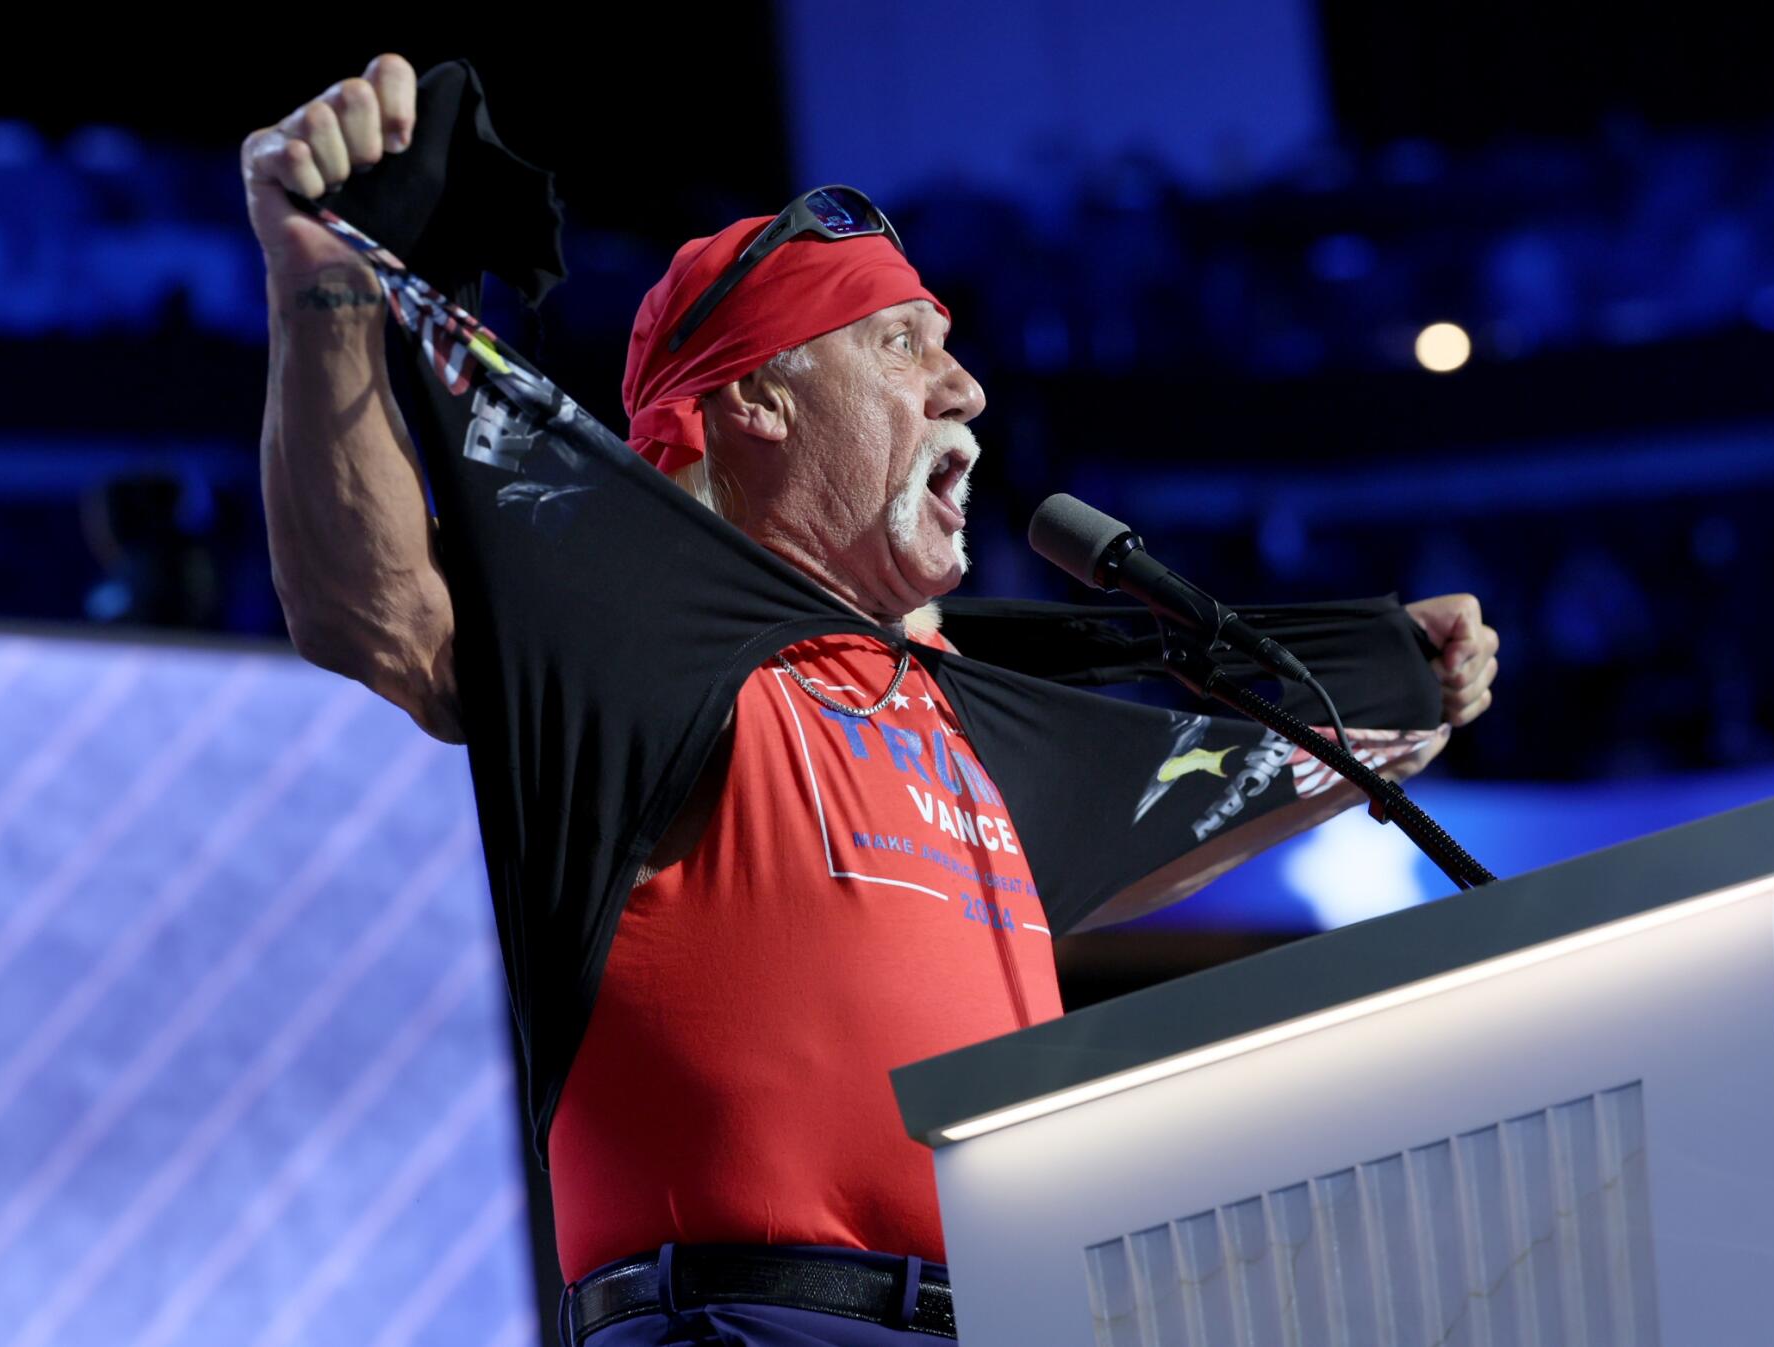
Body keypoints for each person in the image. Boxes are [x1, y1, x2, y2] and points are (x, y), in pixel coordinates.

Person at [244, 53, 1501, 1347]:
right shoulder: (649, 659)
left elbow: (1186, 802)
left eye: (949, 349)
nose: (964, 390)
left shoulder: (965, 725)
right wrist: (324, 285)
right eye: (900, 345)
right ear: (754, 400)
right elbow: (380, 611)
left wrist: (1398, 696)